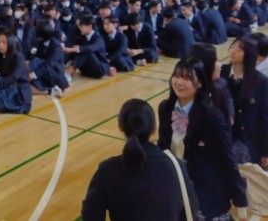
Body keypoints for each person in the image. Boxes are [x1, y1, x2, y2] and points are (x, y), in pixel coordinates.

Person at [158, 59, 249, 221]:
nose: (179, 82)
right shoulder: (166, 108)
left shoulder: (211, 116)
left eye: (187, 78)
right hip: (177, 188)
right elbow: (163, 146)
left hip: (208, 193)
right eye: (176, 76)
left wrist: (240, 200)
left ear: (200, 83)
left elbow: (227, 158)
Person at [82, 99, 198, 221]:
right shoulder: (176, 166)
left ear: (120, 127)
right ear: (153, 129)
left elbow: (91, 214)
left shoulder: (107, 170)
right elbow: (191, 209)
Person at [222, 36, 268, 167]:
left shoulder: (260, 81)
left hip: (246, 137)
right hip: (222, 133)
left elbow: (264, 117)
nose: (233, 51)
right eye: (232, 47)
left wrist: (265, 150)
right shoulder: (221, 72)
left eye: (239, 50)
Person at [63, 15, 117, 79]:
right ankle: (62, 67)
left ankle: (68, 72)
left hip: (98, 70)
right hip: (86, 71)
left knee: (86, 51)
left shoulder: (98, 38)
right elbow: (69, 43)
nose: (80, 28)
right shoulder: (83, 37)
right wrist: (69, 47)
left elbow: (90, 48)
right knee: (75, 50)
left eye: (82, 26)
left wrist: (74, 49)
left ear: (89, 27)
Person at [28, 19, 67, 98]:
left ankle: (51, 91)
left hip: (53, 76)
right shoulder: (42, 42)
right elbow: (36, 58)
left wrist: (34, 74)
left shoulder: (56, 47)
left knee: (23, 86)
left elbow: (48, 65)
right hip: (44, 72)